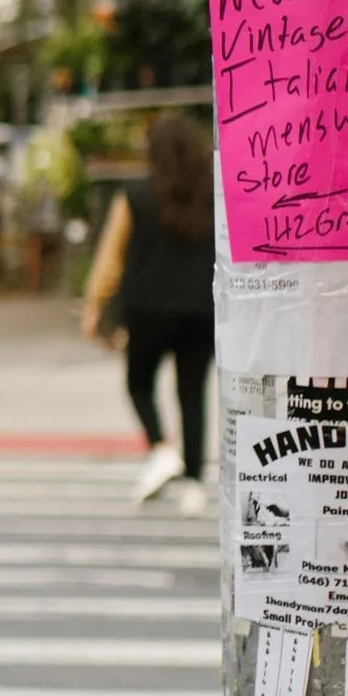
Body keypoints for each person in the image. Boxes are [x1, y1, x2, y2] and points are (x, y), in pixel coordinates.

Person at [81, 109, 215, 509]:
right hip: (201, 308)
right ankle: (193, 482)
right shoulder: (214, 193)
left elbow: (111, 256)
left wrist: (95, 306)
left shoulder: (136, 195)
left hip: (148, 307)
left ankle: (160, 448)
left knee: (139, 383)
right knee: (192, 394)